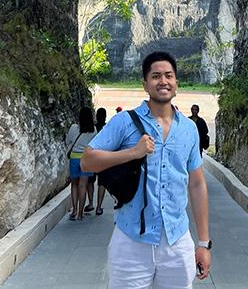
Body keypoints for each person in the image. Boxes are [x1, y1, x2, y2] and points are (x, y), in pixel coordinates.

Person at [82, 51, 212, 288]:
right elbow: (87, 160)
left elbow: (197, 184)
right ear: (145, 84)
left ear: (176, 83)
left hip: (177, 240)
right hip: (131, 240)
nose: (163, 81)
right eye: (156, 76)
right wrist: (133, 152)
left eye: (169, 76)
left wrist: (203, 243)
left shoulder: (189, 130)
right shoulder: (124, 122)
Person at [65, 106, 96, 220]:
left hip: (74, 158)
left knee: (74, 185)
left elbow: (68, 141)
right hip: (87, 159)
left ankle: (74, 210)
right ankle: (81, 213)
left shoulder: (73, 128)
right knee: (83, 185)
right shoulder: (93, 130)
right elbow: (95, 146)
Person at [93, 107, 108, 215]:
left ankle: (90, 203)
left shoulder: (92, 127)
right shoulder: (107, 127)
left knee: (89, 182)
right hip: (103, 158)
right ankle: (98, 207)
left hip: (92, 157)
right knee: (102, 183)